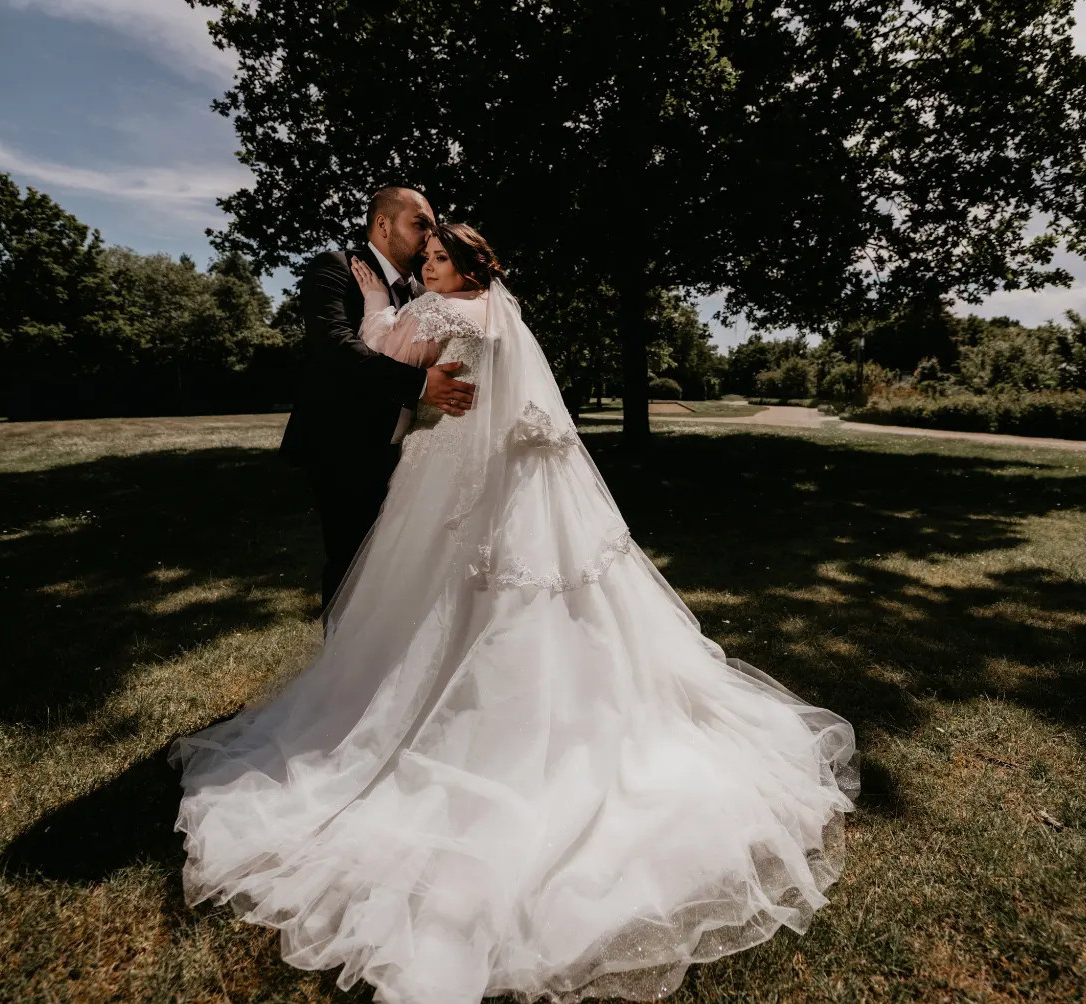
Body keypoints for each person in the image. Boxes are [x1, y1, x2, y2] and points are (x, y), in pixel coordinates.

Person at [173, 223, 858, 1004]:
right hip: (518, 475)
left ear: (462, 267)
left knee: (441, 598)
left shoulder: (433, 314)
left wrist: (374, 303)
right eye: (423, 258)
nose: (425, 269)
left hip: (455, 470)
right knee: (542, 597)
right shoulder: (504, 306)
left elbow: (384, 354)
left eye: (437, 260)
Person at [278, 185, 476, 608]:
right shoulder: (334, 268)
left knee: (397, 566)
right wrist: (421, 385)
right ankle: (342, 670)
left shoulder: (424, 287)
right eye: (419, 223)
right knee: (351, 563)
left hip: (406, 447)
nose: (429, 236)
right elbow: (335, 345)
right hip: (342, 444)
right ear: (383, 224)